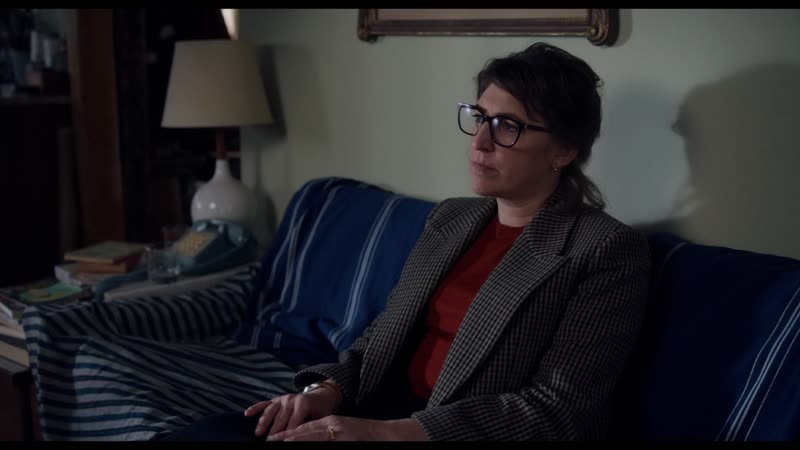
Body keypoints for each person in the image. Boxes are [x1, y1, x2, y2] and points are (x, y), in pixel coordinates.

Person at [162, 42, 651, 441]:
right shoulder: (452, 218)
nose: (479, 142)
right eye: (479, 116)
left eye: (508, 126)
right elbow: (382, 334)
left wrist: (389, 434)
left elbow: (557, 410)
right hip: (370, 410)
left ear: (563, 151)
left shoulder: (604, 251)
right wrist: (325, 391)